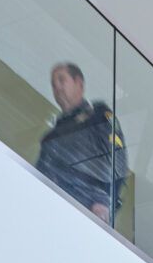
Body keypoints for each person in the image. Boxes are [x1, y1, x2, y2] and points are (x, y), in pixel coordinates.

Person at [36, 62, 127, 223]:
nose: (57, 87)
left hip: (86, 210)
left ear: (79, 83)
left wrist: (104, 201)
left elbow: (117, 157)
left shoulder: (99, 115)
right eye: (53, 84)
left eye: (61, 80)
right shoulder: (51, 136)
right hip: (49, 208)